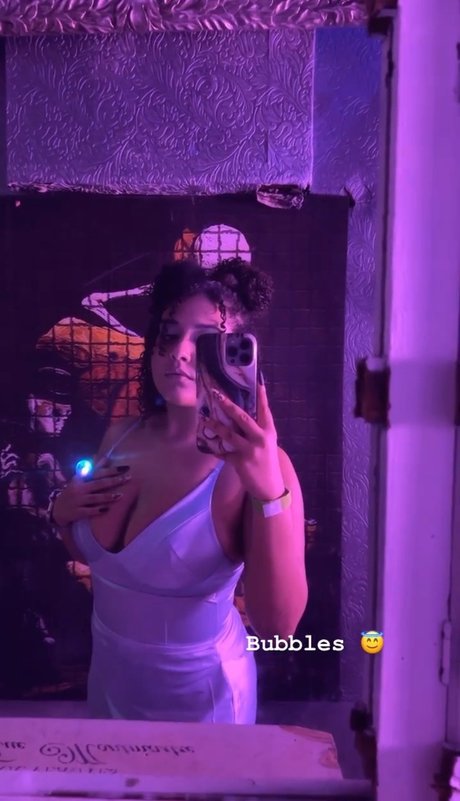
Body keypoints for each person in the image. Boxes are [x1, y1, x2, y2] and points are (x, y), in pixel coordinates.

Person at [50, 257, 308, 723]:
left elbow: (279, 627)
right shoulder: (121, 435)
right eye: (169, 335)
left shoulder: (259, 468)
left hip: (204, 704)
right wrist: (62, 515)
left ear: (237, 354)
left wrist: (270, 493)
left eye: (205, 340)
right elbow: (103, 564)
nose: (180, 353)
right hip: (109, 687)